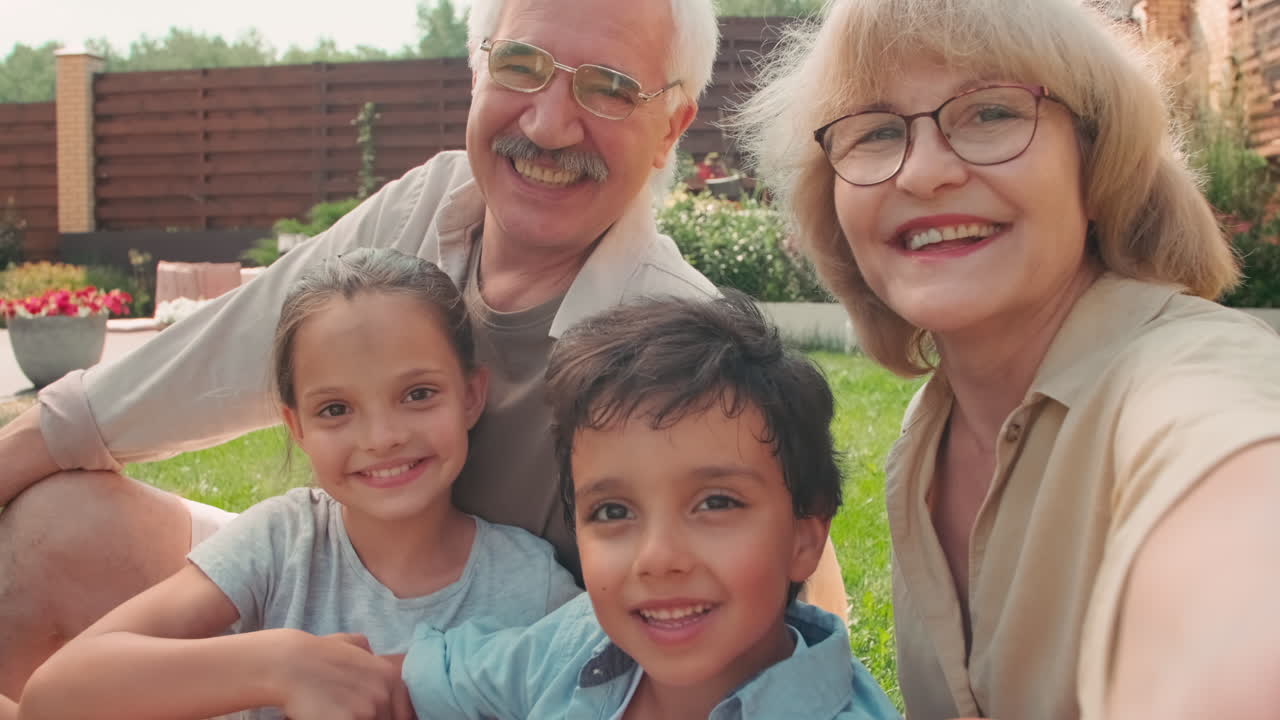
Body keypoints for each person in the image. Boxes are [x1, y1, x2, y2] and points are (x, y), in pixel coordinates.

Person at [0, 0, 846, 705]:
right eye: (521, 66)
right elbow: (207, 357)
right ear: (477, 71)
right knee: (51, 528)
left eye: (611, 88)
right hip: (343, 603)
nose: (549, 126)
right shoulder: (430, 205)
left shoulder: (676, 335)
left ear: (672, 129)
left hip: (516, 677)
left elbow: (781, 596)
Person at [732, 0, 1280, 718]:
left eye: (991, 113)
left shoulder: (1193, 378)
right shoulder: (928, 439)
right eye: (874, 131)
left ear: (1096, 160)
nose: (923, 173)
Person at [17, 248, 582, 720]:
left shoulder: (534, 588)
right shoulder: (283, 543)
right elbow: (55, 694)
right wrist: (279, 666)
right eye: (336, 408)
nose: (382, 437)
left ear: (472, 395)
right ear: (296, 426)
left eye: (417, 394)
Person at [398, 291, 900, 720]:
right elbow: (422, 676)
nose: (657, 558)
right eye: (613, 512)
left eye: (716, 503)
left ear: (805, 537)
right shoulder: (576, 644)